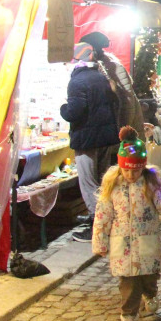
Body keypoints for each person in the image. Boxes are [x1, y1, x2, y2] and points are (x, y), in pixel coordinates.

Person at [92, 126, 161, 321]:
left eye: (135, 170)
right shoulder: (112, 186)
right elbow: (103, 216)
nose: (131, 174)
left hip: (146, 244)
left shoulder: (150, 183)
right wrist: (100, 242)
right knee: (128, 284)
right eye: (127, 170)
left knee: (149, 277)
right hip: (122, 246)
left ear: (142, 167)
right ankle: (128, 316)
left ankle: (150, 294)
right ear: (120, 167)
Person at [60, 34, 125, 243]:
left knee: (88, 183)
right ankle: (105, 220)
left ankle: (98, 227)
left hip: (87, 138)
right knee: (101, 182)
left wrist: (63, 109)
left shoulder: (77, 81)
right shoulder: (101, 77)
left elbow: (74, 112)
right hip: (105, 138)